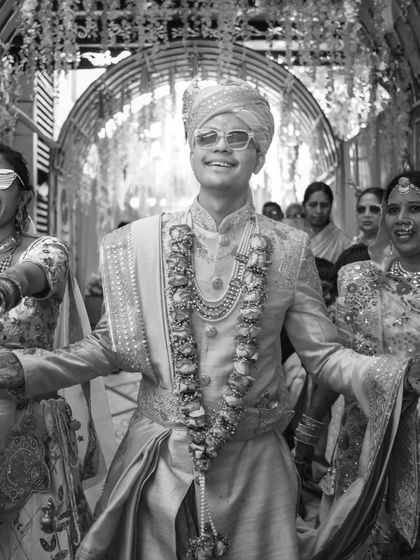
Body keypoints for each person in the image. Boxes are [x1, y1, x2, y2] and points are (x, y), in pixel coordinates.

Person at [0, 80, 417, 560]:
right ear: (191, 150)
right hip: (158, 468)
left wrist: (389, 374)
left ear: (258, 154)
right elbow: (107, 346)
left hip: (256, 472)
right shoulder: (142, 242)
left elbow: (322, 357)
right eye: (207, 137)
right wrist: (25, 371)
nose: (221, 147)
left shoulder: (288, 247)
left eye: (237, 138)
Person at [295, 172, 420, 558]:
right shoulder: (357, 280)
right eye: (393, 210)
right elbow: (337, 362)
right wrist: (309, 432)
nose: (403, 219)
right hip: (363, 443)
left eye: (415, 209)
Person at [0, 144, 113, 560]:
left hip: (26, 423)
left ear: (24, 197)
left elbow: (34, 276)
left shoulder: (46, 249)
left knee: (31, 543)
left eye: (1, 180)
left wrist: (7, 286)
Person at [299, 181, 352, 263]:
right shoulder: (294, 237)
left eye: (324, 205)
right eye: (313, 205)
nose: (318, 211)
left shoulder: (343, 242)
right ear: (303, 206)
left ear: (331, 207)